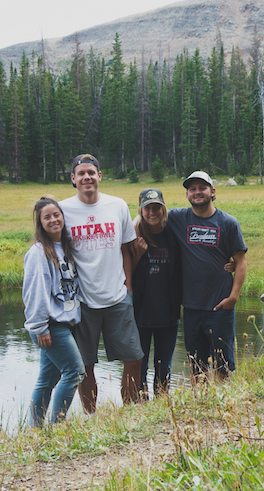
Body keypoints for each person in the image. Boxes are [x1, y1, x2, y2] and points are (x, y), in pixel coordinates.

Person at [60, 154, 144, 412]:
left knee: (133, 357)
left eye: (92, 172)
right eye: (81, 173)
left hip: (118, 297)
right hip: (82, 301)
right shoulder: (63, 210)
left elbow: (126, 251)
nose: (87, 177)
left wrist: (128, 289)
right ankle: (90, 415)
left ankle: (129, 410)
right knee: (85, 364)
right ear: (73, 179)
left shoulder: (117, 205)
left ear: (99, 176)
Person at [166, 171, 248, 381]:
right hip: (191, 307)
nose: (197, 192)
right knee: (197, 364)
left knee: (223, 365)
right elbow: (151, 215)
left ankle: (224, 406)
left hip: (220, 305)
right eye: (192, 189)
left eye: (202, 188)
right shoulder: (178, 218)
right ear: (187, 195)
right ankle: (202, 407)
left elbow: (240, 262)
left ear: (212, 192)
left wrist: (233, 298)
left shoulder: (228, 223)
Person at [22, 196, 85, 427]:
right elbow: (34, 293)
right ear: (40, 223)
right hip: (50, 325)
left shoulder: (65, 247)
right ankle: (57, 427)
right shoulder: (39, 253)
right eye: (46, 217)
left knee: (48, 379)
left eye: (56, 215)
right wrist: (40, 327)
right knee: (74, 372)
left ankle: (35, 429)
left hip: (63, 322)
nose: (53, 220)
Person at [130, 188, 182, 398]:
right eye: (147, 208)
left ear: (163, 208)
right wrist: (139, 254)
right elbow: (125, 271)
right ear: (141, 210)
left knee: (164, 366)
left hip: (168, 311)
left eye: (156, 207)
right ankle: (141, 406)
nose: (152, 212)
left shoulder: (173, 231)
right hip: (140, 311)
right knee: (139, 365)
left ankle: (161, 405)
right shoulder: (133, 232)